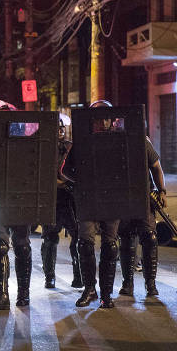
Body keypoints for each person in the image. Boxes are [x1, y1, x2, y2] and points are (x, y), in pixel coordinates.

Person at [0, 100, 32, 310]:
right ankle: (2, 295)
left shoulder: (29, 142)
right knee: (0, 246)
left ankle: (23, 295)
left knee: (22, 246)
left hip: (20, 199)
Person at [69, 100, 120, 309]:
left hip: (113, 198)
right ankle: (90, 289)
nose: (101, 122)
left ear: (111, 121)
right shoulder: (82, 142)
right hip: (89, 198)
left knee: (110, 244)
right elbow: (65, 169)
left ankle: (106, 295)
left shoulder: (119, 142)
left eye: (104, 118)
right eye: (98, 119)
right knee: (85, 243)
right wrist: (83, 181)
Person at [118, 135, 167, 298]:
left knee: (150, 237)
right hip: (122, 196)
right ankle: (128, 282)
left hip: (143, 196)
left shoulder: (142, 140)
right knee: (126, 239)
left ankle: (150, 284)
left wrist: (162, 190)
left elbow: (156, 166)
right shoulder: (111, 140)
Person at [40, 114, 82, 289]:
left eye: (61, 128)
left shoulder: (71, 147)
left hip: (70, 199)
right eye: (57, 129)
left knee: (78, 238)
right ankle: (49, 277)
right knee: (50, 239)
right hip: (52, 199)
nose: (60, 131)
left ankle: (78, 275)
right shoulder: (44, 148)